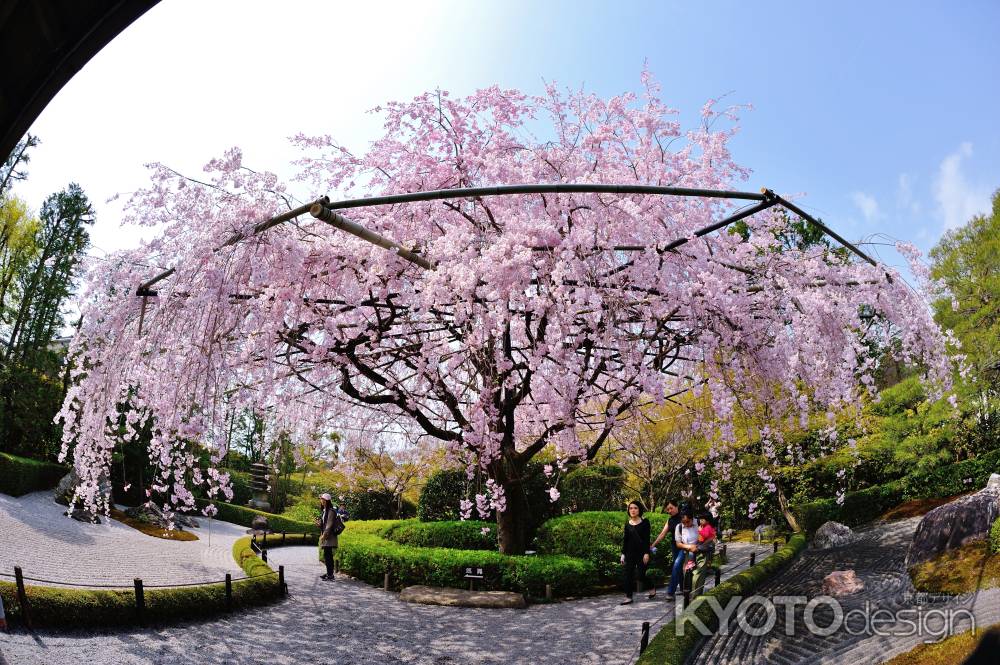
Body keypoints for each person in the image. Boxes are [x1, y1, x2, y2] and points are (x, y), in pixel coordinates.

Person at [619, 500, 652, 604]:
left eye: (635, 508)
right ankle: (629, 597)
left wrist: (646, 553)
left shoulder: (645, 522)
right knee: (628, 574)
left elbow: (647, 539)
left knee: (640, 575)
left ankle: (651, 586)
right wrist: (623, 554)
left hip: (642, 553)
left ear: (639, 509)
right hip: (629, 553)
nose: (633, 510)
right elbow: (626, 540)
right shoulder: (627, 524)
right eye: (631, 508)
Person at [649, 500, 681, 599]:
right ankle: (684, 588)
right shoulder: (669, 520)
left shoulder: (684, 517)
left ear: (677, 506)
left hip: (684, 545)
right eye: (668, 509)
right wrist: (653, 545)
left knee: (676, 566)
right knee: (678, 567)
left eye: (671, 508)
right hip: (674, 545)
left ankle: (670, 592)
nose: (669, 510)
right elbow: (663, 534)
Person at [665, 509, 698, 600]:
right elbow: (678, 544)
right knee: (676, 564)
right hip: (685, 548)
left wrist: (696, 547)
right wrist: (689, 547)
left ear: (692, 519)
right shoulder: (679, 527)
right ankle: (671, 592)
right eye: (684, 522)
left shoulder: (698, 523)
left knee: (691, 568)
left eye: (688, 522)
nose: (686, 524)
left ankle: (690, 590)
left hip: (698, 549)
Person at [316, 493, 343, 581]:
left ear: (327, 500)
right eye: (321, 499)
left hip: (329, 537)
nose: (321, 500)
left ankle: (330, 575)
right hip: (326, 536)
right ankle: (329, 573)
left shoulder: (331, 511)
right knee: (327, 555)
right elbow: (324, 524)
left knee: (328, 555)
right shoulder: (324, 510)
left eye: (323, 499)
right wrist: (319, 524)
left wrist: (324, 535)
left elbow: (329, 524)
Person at [690, 512, 717, 597]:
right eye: (700, 519)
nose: (700, 521)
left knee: (699, 572)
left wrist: (699, 531)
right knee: (699, 571)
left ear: (708, 521)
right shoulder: (705, 527)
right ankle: (697, 592)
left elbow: (704, 536)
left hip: (704, 550)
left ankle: (696, 593)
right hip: (702, 549)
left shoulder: (707, 527)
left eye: (702, 520)